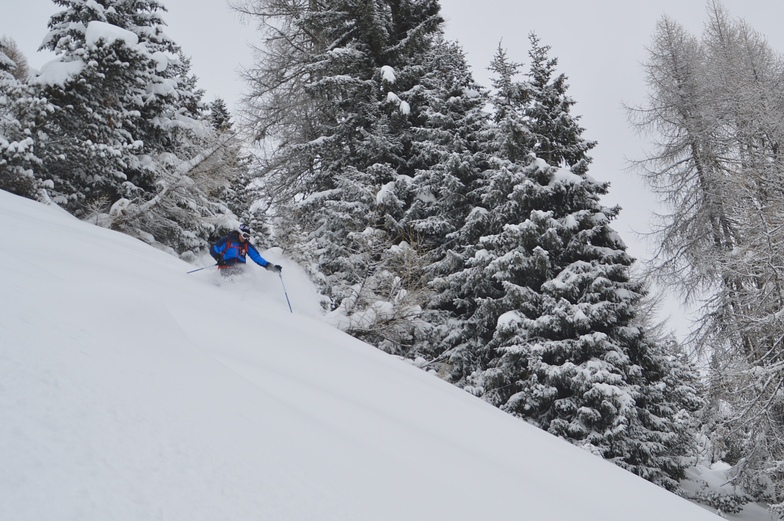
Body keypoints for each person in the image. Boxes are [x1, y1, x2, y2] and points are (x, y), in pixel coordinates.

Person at [210, 224, 282, 276]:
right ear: (239, 233)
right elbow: (213, 249)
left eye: (247, 237)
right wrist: (218, 258)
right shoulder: (228, 240)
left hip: (240, 272)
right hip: (226, 268)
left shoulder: (246, 245)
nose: (245, 238)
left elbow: (257, 258)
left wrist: (270, 266)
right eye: (244, 235)